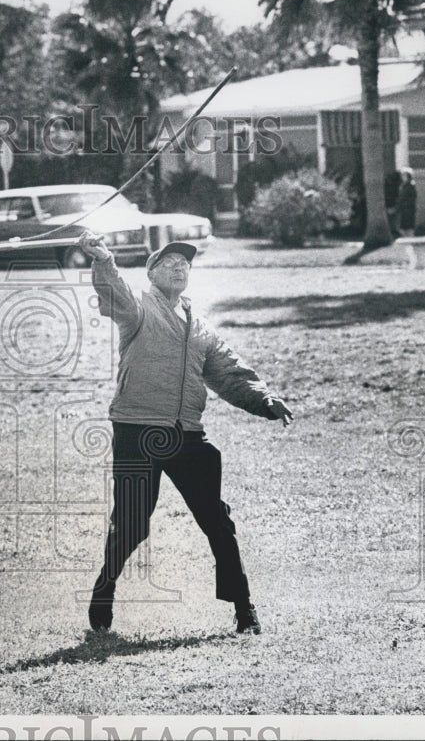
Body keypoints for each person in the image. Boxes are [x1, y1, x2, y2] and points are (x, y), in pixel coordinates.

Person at [77, 231, 293, 635]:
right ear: (152, 273)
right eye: (169, 263)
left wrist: (265, 400)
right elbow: (116, 293)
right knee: (132, 522)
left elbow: (230, 372)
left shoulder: (201, 328)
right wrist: (104, 258)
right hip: (137, 428)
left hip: (187, 434)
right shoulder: (139, 308)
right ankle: (105, 588)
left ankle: (244, 609)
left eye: (185, 264)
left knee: (217, 520)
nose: (179, 268)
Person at [395, 167, 417, 237]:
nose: (402, 177)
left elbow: (408, 199)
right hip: (404, 210)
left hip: (408, 210)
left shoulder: (410, 186)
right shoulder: (403, 186)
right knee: (402, 228)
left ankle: (410, 240)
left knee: (407, 228)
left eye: (404, 175)